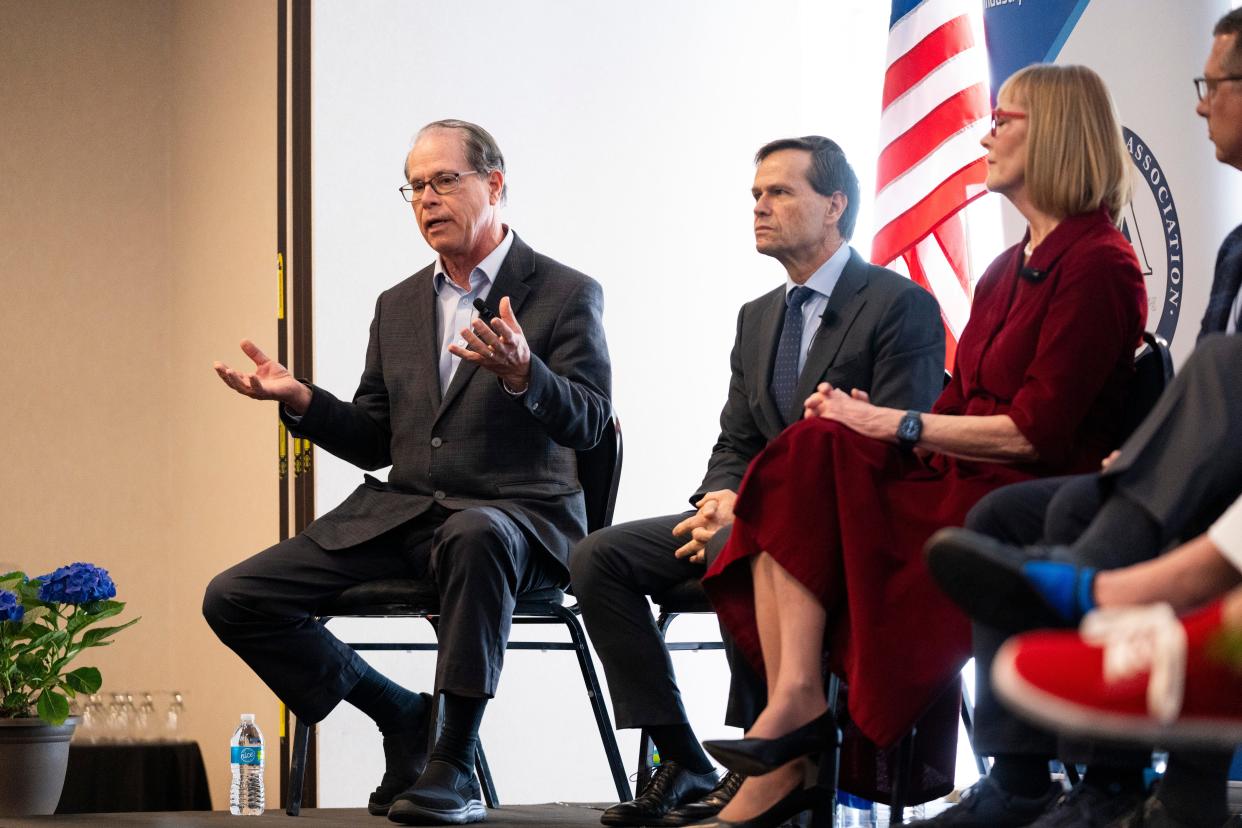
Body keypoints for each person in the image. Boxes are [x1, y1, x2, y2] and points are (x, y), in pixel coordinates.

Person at [694, 63, 1148, 828]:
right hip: (961, 471)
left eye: (1005, 119)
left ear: (1059, 133)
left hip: (1031, 489)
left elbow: (1033, 432)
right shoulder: (1007, 268)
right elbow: (958, 405)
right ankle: (796, 704)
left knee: (832, 456)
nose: (986, 131)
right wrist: (865, 416)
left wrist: (896, 424)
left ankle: (801, 743)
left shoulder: (1100, 263)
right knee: (811, 447)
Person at [202, 119, 611, 826]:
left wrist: (525, 374)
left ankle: (453, 762)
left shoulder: (565, 292)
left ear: (496, 184)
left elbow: (592, 422)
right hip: (410, 514)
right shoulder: (397, 305)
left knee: (477, 532)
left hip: (521, 523)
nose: (427, 198)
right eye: (415, 186)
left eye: (444, 180)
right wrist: (302, 401)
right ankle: (400, 714)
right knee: (234, 596)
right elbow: (372, 439)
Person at [922, 14, 1242, 825]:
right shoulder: (1237, 247)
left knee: (1057, 500)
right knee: (1016, 512)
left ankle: (1092, 599)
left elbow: (1044, 423)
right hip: (1205, 477)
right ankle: (1045, 775)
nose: (1202, 108)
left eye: (1214, 86)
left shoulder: (1100, 261)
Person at [570, 136, 945, 827]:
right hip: (753, 514)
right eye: (755, 195)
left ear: (834, 205)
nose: (760, 207)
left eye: (779, 192)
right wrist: (719, 495)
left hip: (849, 528)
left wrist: (747, 514)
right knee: (598, 557)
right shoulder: (758, 317)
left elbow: (905, 445)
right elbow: (738, 438)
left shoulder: (900, 305)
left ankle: (768, 763)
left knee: (736, 548)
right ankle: (683, 758)